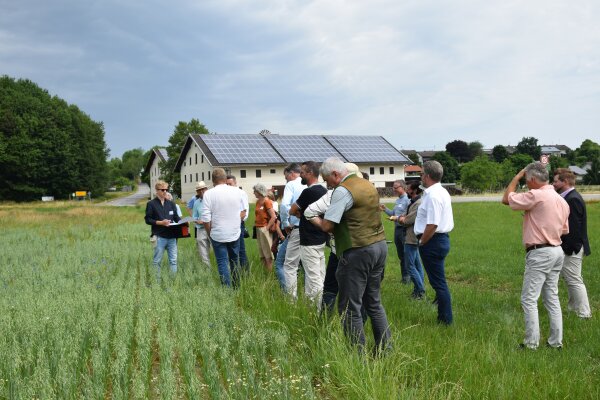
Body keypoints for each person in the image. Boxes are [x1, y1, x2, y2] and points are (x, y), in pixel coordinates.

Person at [310, 157, 391, 354]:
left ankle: (357, 356)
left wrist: (314, 219)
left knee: (350, 307)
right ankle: (385, 349)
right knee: (374, 303)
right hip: (379, 245)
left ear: (336, 175)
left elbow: (328, 225)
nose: (327, 184)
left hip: (358, 250)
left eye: (327, 179)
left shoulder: (343, 191)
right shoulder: (367, 184)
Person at [502, 162, 569, 349]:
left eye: (526, 179)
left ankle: (531, 343)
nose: (526, 182)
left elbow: (506, 199)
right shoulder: (561, 200)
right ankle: (556, 342)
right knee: (552, 297)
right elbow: (564, 230)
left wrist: (515, 178)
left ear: (531, 179)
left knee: (529, 299)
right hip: (557, 250)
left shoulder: (536, 195)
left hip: (540, 252)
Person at [414, 160, 454, 325]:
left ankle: (445, 320)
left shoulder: (433, 195)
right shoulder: (440, 191)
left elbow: (432, 224)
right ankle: (444, 316)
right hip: (438, 240)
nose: (421, 177)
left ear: (428, 176)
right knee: (439, 281)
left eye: (422, 174)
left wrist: (423, 241)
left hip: (433, 241)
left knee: (439, 283)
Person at [552, 168, 592, 319]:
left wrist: (569, 249)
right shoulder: (567, 197)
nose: (553, 184)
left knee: (574, 280)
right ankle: (573, 308)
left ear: (565, 182)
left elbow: (574, 229)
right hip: (570, 247)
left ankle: (584, 313)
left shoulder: (572, 199)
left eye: (556, 181)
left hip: (573, 248)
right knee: (570, 279)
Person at [289, 161, 328, 303]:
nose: (301, 176)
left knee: (312, 277)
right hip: (321, 239)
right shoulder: (324, 191)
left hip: (308, 240)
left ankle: (316, 309)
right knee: (320, 274)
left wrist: (302, 214)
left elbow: (292, 210)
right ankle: (321, 304)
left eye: (303, 173)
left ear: (311, 173)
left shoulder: (308, 192)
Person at [202, 168, 246, 288]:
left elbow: (206, 218)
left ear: (213, 180)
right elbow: (244, 212)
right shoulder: (237, 192)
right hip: (235, 232)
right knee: (234, 260)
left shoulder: (208, 194)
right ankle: (237, 286)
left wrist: (209, 232)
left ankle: (226, 289)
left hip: (217, 233)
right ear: (225, 179)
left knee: (222, 262)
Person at [277, 163, 306, 291]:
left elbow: (284, 206)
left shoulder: (291, 185)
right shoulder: (310, 184)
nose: (286, 180)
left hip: (296, 228)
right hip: (312, 230)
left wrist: (285, 223)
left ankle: (288, 296)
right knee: (307, 265)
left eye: (286, 177)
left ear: (292, 173)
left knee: (282, 264)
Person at [144, 181, 181, 280]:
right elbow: (148, 219)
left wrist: (183, 222)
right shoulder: (151, 204)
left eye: (166, 189)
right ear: (157, 191)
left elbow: (176, 217)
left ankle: (173, 281)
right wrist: (161, 223)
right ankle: (157, 281)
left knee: (173, 260)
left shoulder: (171, 204)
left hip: (172, 236)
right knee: (157, 261)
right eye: (162, 190)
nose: (165, 192)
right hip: (159, 236)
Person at [398, 181, 425, 299]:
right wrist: (402, 218)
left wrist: (401, 219)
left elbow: (407, 220)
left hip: (412, 238)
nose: (406, 191)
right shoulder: (413, 202)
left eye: (408, 189)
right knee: (417, 266)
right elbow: (403, 216)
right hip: (411, 237)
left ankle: (420, 291)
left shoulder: (418, 203)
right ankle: (418, 290)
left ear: (414, 190)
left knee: (410, 266)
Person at [380, 180, 411, 283]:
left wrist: (398, 218)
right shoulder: (398, 201)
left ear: (403, 187)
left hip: (404, 230)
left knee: (406, 254)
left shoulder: (407, 200)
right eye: (393, 187)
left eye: (396, 187)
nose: (394, 189)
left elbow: (409, 216)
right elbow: (393, 213)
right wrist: (385, 209)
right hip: (397, 229)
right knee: (401, 255)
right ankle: (404, 277)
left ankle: (408, 277)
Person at [226, 175, 250, 270]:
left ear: (235, 183)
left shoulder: (241, 193)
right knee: (230, 249)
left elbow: (245, 211)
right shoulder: (225, 194)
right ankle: (234, 269)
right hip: (228, 224)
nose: (228, 186)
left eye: (230, 184)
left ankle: (245, 271)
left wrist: (237, 220)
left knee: (240, 249)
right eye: (227, 184)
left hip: (238, 223)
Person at [253, 183, 277, 271]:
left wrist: (266, 228)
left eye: (255, 191)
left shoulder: (267, 201)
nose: (253, 193)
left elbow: (273, 216)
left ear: (259, 192)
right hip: (258, 228)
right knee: (262, 253)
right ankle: (264, 272)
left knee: (268, 254)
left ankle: (270, 274)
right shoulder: (257, 202)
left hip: (264, 228)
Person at [192, 181, 210, 266]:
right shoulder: (196, 202)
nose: (201, 191)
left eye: (203, 189)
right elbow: (194, 216)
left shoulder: (212, 199)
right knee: (203, 252)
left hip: (212, 227)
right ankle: (207, 269)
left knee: (216, 249)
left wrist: (207, 220)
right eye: (199, 190)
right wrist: (197, 220)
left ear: (206, 189)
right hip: (201, 229)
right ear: (197, 192)